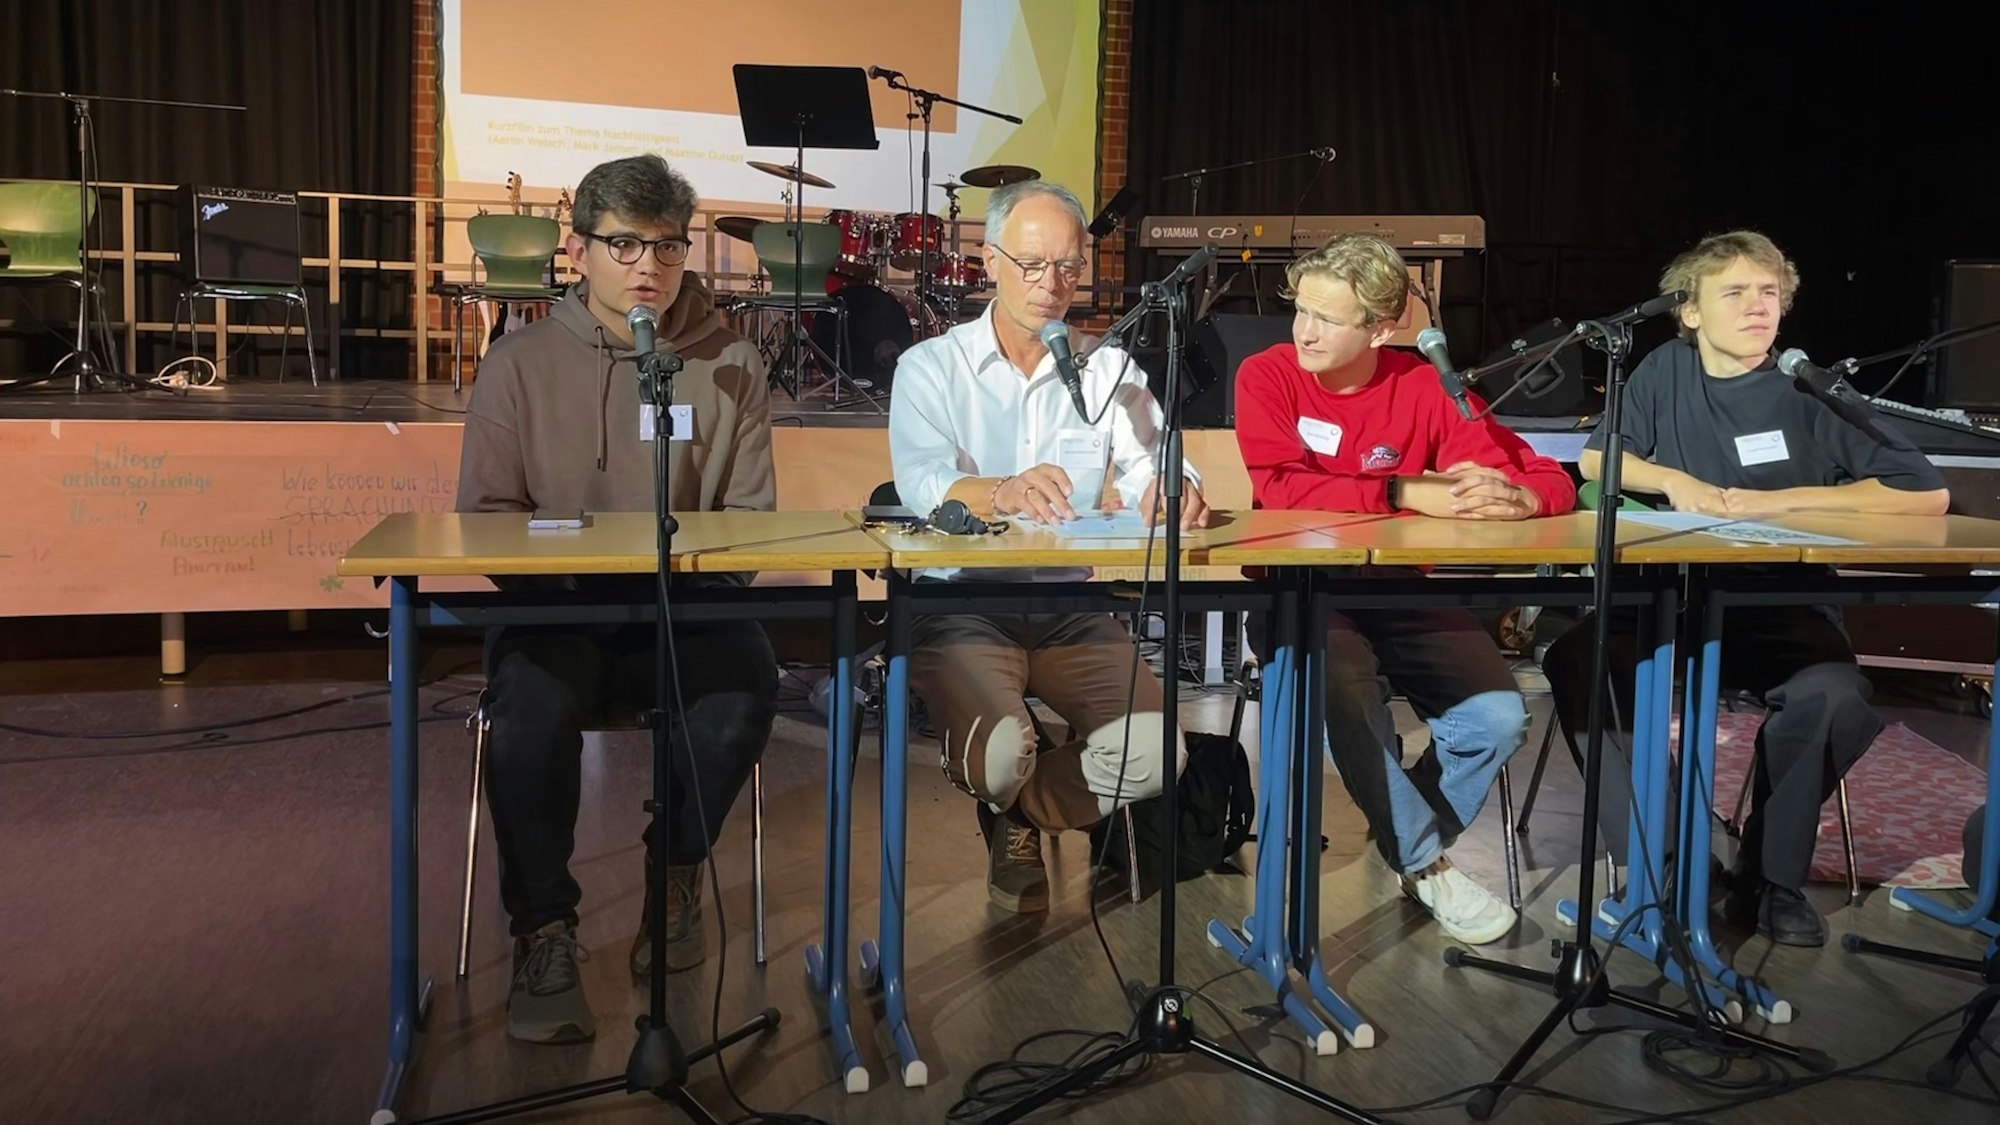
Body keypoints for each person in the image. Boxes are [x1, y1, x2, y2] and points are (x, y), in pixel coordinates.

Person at [1543, 229, 1949, 947]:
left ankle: (1768, 876)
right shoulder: (1664, 370)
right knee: (1582, 660)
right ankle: (1668, 864)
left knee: (1834, 696)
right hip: (1670, 600)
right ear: (1689, 310)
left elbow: (1924, 493)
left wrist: (1776, 502)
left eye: (1769, 293)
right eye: (1734, 292)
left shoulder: (1809, 388)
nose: (1757, 307)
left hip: (1778, 606)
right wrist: (1674, 480)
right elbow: (1601, 459)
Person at [456, 154, 778, 1042]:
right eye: (625, 244)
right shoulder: (517, 363)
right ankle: (544, 929)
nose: (649, 266)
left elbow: (750, 516)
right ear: (579, 249)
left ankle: (673, 872)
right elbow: (486, 515)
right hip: (559, 607)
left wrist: (697, 578)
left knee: (746, 685)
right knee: (526, 714)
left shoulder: (731, 361)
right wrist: (566, 575)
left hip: (687, 606)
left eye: (668, 246)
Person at [1233, 232, 1577, 944]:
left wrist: (1523, 498)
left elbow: (1541, 472)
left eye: (1328, 318)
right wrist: (1403, 489)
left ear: (1382, 330)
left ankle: (1407, 840)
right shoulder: (1268, 374)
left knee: (1497, 720)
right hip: (1300, 591)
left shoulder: (1423, 385)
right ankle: (1427, 864)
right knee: (1344, 689)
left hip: (1399, 592)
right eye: (1302, 310)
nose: (1305, 330)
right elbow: (1284, 487)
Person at [888, 179, 1202, 913]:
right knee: (999, 759)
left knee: (1159, 753)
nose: (1052, 284)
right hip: (963, 604)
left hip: (1071, 606)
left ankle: (1022, 814)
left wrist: (1172, 486)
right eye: (1032, 264)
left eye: (1068, 266)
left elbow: (1158, 459)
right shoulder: (931, 366)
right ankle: (1006, 787)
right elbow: (921, 479)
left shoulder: (1108, 367)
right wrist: (1001, 489)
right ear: (989, 261)